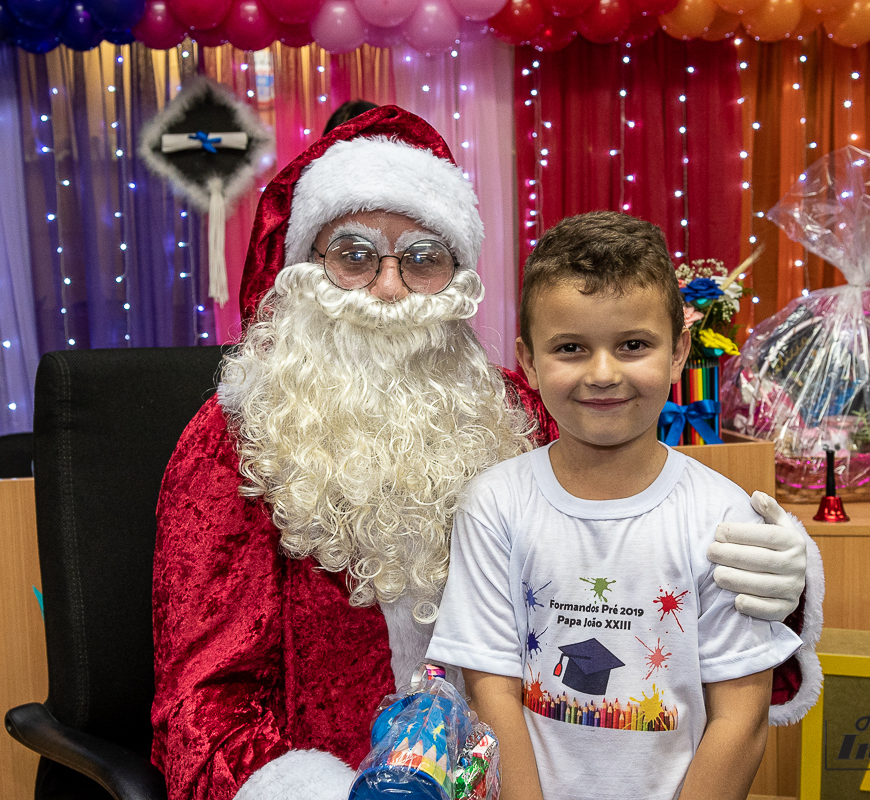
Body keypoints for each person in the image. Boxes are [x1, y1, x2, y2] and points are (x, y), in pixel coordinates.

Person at [151, 107, 823, 800]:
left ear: (458, 277)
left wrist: (781, 571)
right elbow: (201, 703)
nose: (389, 288)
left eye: (423, 260)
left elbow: (644, 529)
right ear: (305, 267)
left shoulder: (514, 403)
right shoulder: (235, 437)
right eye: (353, 256)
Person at [427, 212, 803, 800]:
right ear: (529, 361)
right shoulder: (495, 504)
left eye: (633, 345)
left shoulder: (724, 517)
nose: (602, 374)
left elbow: (741, 716)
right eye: (570, 348)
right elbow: (490, 690)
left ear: (679, 352)